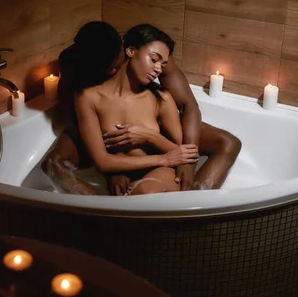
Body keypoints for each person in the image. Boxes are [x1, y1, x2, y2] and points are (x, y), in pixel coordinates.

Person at [44, 22, 241, 195]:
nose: (117, 70)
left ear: (127, 49)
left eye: (118, 63)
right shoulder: (77, 69)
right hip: (104, 128)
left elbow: (189, 105)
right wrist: (112, 170)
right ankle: (102, 218)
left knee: (228, 143)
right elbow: (73, 119)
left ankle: (196, 204)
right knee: (53, 165)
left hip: (151, 119)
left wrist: (186, 162)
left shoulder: (152, 55)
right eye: (110, 71)